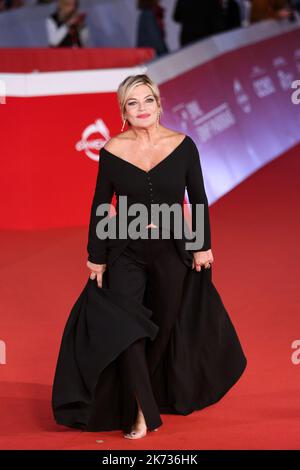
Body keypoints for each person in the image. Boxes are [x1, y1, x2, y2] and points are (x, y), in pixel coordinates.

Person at [51, 74, 247, 440]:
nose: (141, 109)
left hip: (173, 249)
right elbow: (100, 204)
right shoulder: (112, 150)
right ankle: (141, 410)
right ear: (123, 110)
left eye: (147, 101)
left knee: (164, 325)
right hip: (124, 250)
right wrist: (96, 255)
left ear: (159, 104)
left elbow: (198, 199)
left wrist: (202, 244)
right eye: (132, 103)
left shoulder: (183, 146)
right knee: (128, 328)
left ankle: (144, 391)